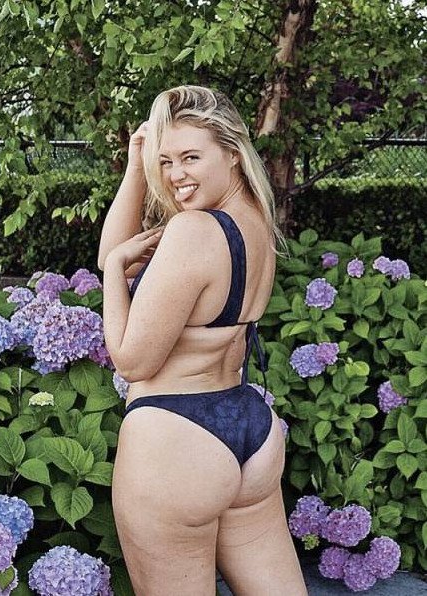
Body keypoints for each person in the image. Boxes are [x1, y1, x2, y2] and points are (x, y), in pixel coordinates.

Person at [98, 85, 307, 596]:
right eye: (165, 161)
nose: (175, 175)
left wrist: (114, 275)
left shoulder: (192, 231)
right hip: (250, 428)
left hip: (175, 437)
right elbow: (114, 252)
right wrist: (136, 166)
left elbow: (132, 361)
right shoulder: (256, 221)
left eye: (191, 157)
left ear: (232, 152)